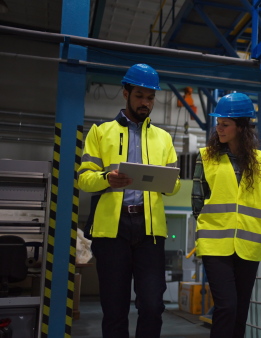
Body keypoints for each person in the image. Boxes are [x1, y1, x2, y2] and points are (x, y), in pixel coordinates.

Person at [78, 63, 181, 338]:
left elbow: (173, 186)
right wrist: (106, 178)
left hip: (150, 231)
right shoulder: (100, 133)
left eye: (150, 97)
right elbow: (84, 179)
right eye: (140, 96)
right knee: (114, 309)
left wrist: (169, 182)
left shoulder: (164, 138)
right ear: (125, 93)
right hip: (113, 230)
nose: (145, 103)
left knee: (152, 304)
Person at [192, 92, 261, 338]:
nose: (219, 129)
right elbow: (197, 202)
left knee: (240, 311)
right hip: (215, 245)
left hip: (248, 246)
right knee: (226, 306)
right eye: (218, 123)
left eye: (225, 124)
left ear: (241, 127)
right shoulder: (206, 157)